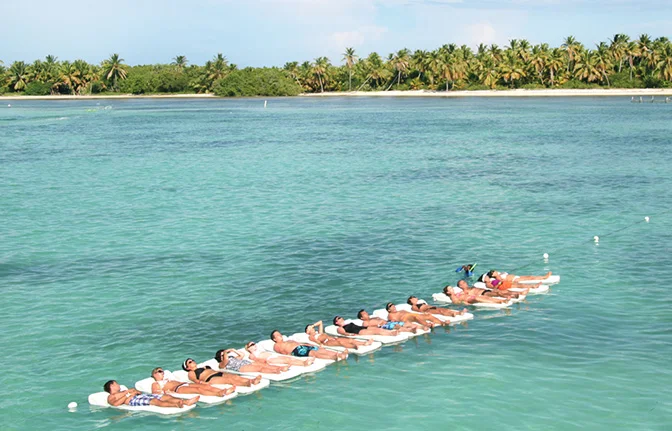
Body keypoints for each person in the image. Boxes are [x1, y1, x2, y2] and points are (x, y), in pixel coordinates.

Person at [103, 379, 199, 408]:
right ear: (112, 386)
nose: (118, 385)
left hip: (140, 396)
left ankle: (186, 402)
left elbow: (138, 392)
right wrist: (128, 394)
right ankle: (176, 404)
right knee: (155, 401)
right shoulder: (111, 396)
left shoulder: (124, 391)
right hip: (133, 400)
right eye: (116, 384)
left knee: (165, 396)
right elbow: (115, 404)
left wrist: (134, 392)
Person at [150, 367, 234, 397]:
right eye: (160, 371)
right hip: (178, 388)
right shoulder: (155, 383)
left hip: (184, 384)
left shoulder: (167, 379)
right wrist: (166, 392)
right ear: (155, 374)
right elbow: (155, 392)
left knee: (206, 386)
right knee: (198, 390)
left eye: (162, 371)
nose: (163, 372)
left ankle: (224, 391)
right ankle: (218, 394)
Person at [270, 330, 347, 361]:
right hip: (296, 350)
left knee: (321, 349)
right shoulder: (276, 345)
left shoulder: (288, 340)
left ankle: (339, 354)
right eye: (277, 335)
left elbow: (299, 343)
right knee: (313, 353)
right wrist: (290, 355)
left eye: (279, 334)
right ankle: (332, 357)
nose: (280, 335)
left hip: (302, 346)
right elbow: (282, 352)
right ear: (274, 339)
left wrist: (309, 345)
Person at [182, 358, 262, 387]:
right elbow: (195, 380)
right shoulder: (191, 373)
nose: (193, 361)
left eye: (192, 360)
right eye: (190, 362)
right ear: (187, 367)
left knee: (235, 377)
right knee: (229, 381)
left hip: (218, 373)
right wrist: (204, 383)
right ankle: (245, 384)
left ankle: (252, 381)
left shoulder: (203, 366)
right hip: (211, 378)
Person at [305, 320, 373, 350]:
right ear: (307, 332)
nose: (311, 329)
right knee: (340, 343)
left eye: (311, 328)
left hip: (332, 338)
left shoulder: (319, 333)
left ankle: (364, 343)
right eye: (309, 329)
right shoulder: (311, 336)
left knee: (349, 339)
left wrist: (312, 325)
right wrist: (320, 344)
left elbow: (320, 322)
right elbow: (317, 341)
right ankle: (354, 346)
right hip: (327, 342)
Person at [215, 349, 289, 374]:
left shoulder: (231, 357)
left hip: (245, 362)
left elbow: (242, 355)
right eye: (223, 355)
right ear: (220, 357)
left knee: (263, 364)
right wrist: (225, 352)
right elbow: (226, 360)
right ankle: (275, 371)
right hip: (240, 367)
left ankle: (281, 368)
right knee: (259, 368)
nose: (225, 355)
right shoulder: (221, 364)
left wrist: (233, 350)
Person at [244, 341, 315, 367]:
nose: (254, 345)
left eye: (254, 344)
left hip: (273, 356)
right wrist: (266, 363)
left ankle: (304, 362)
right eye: (252, 345)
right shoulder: (251, 355)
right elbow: (256, 360)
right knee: (286, 361)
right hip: (269, 359)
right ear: (248, 348)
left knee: (289, 358)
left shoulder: (259, 350)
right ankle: (304, 364)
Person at [356, 309, 426, 333]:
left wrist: (390, 320)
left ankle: (422, 327)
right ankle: (410, 330)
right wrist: (378, 325)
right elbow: (368, 329)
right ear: (362, 318)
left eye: (366, 312)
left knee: (406, 323)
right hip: (384, 326)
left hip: (388, 322)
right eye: (364, 314)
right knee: (397, 326)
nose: (367, 313)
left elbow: (384, 320)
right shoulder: (365, 323)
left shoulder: (373, 318)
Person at [333, 315, 404, 336]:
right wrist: (352, 335)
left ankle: (391, 331)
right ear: (336, 322)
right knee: (376, 332)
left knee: (378, 329)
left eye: (340, 317)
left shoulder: (348, 322)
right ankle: (391, 334)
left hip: (361, 327)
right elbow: (344, 333)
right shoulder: (340, 328)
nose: (340, 318)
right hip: (358, 331)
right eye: (338, 318)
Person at [478, 270, 545, 290]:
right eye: (486, 277)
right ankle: (533, 286)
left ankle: (533, 286)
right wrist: (499, 283)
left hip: (504, 283)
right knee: (519, 285)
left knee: (519, 285)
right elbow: (493, 288)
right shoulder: (488, 283)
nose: (487, 277)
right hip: (502, 285)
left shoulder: (493, 279)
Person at [456, 279, 524, 299]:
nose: (465, 283)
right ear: (460, 286)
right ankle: (512, 296)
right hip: (483, 293)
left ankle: (519, 293)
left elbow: (479, 288)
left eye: (464, 282)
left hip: (486, 290)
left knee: (503, 291)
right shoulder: (464, 291)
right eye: (463, 283)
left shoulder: (471, 287)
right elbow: (463, 296)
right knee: (498, 293)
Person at [442, 286, 509, 305]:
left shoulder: (457, 293)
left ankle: (502, 300)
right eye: (450, 289)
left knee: (484, 297)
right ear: (448, 292)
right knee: (478, 299)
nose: (452, 289)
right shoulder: (453, 297)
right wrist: (464, 303)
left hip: (471, 296)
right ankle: (498, 302)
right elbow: (456, 302)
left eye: (452, 287)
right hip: (469, 300)